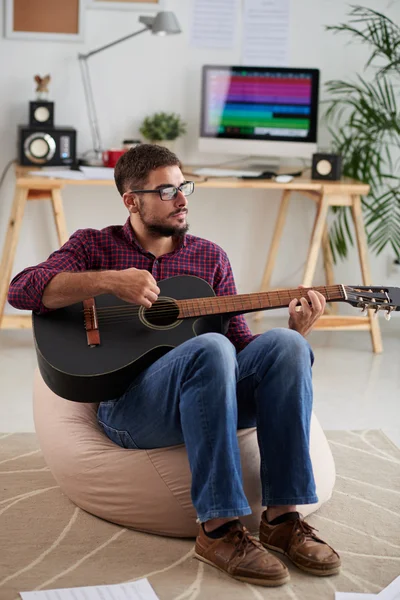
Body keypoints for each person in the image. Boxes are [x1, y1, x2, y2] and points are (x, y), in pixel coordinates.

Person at [8, 144, 340, 587]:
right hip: (131, 410)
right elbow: (22, 289)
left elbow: (243, 347)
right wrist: (109, 280)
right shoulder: (93, 245)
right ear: (132, 200)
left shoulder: (210, 257)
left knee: (283, 345)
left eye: (184, 186)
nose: (183, 198)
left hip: (208, 394)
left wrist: (298, 332)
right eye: (167, 190)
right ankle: (218, 528)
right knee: (211, 348)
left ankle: (282, 518)